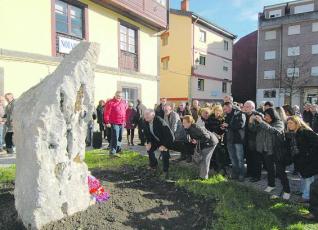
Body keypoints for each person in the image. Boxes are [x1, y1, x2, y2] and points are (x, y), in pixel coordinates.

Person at [250, 108, 291, 200]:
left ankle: (287, 190)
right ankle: (271, 185)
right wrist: (251, 121)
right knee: (270, 169)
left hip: (276, 151)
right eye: (265, 115)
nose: (265, 117)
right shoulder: (262, 122)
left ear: (273, 115)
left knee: (280, 172)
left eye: (267, 115)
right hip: (266, 150)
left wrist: (262, 122)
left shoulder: (279, 122)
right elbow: (253, 129)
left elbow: (275, 131)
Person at [287, 116, 318, 202]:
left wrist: (308, 156)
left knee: (308, 179)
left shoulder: (305, 132)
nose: (289, 125)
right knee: (303, 177)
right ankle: (302, 191)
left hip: (309, 161)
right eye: (288, 123)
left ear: (297, 123)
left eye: (291, 123)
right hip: (301, 160)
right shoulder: (295, 133)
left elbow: (316, 144)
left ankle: (306, 197)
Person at [183, 115, 218, 179]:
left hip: (211, 142)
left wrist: (197, 141)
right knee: (202, 159)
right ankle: (202, 174)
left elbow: (207, 137)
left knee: (205, 159)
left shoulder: (196, 128)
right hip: (205, 143)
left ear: (190, 122)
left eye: (185, 123)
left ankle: (203, 177)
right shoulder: (189, 128)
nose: (183, 124)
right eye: (183, 122)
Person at [144, 109, 174, 179]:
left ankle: (165, 171)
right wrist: (149, 143)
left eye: (147, 114)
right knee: (149, 149)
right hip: (156, 141)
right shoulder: (145, 122)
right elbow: (147, 134)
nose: (145, 116)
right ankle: (153, 165)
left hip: (166, 141)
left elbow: (170, 136)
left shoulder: (160, 122)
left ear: (153, 115)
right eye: (145, 114)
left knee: (164, 152)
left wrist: (164, 146)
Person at [223, 102, 246, 181]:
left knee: (240, 159)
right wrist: (224, 127)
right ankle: (235, 173)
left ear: (230, 107)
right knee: (233, 158)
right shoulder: (227, 115)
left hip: (238, 140)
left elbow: (240, 125)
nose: (224, 110)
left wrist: (228, 126)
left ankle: (241, 174)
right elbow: (228, 126)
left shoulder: (239, 113)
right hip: (229, 140)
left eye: (225, 109)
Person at [244, 100, 263, 182]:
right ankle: (249, 173)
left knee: (256, 160)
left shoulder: (258, 115)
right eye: (245, 106)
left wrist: (251, 122)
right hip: (247, 141)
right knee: (248, 159)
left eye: (247, 107)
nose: (245, 108)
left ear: (253, 107)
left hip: (256, 142)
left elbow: (258, 129)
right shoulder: (244, 115)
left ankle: (256, 176)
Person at [103, 91, 127, 156]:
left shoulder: (123, 103)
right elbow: (106, 113)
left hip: (121, 123)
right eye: (118, 96)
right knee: (115, 137)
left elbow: (124, 113)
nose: (119, 97)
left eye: (120, 96)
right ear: (115, 95)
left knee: (120, 137)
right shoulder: (110, 102)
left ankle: (118, 149)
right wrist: (107, 122)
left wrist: (124, 121)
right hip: (114, 122)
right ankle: (112, 152)